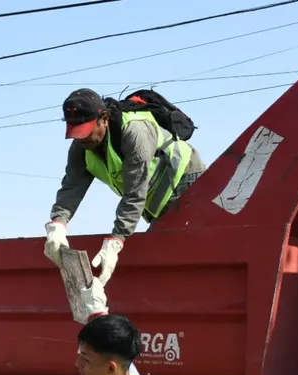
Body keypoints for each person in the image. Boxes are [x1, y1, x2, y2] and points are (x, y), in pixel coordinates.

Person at [44, 87, 206, 287]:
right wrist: (58, 223)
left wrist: (116, 239)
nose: (81, 138)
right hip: (153, 196)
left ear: (103, 119)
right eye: (75, 133)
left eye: (86, 131)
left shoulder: (134, 133)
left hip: (182, 180)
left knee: (175, 255)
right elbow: (72, 186)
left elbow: (135, 192)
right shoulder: (81, 146)